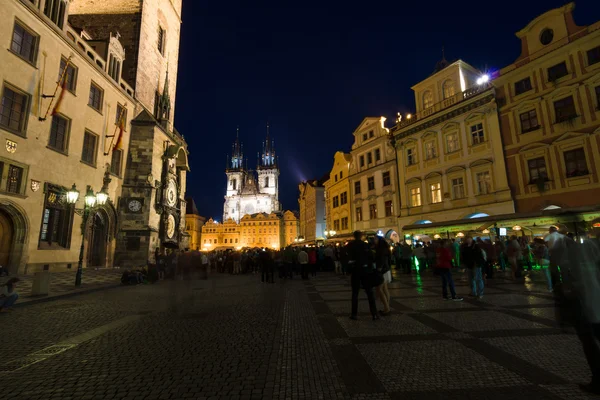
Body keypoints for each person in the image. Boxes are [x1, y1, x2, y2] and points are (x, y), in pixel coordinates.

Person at [346, 231, 379, 320]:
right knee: (369, 293)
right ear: (361, 236)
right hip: (365, 270)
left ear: (354, 236)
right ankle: (374, 314)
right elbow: (371, 257)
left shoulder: (350, 245)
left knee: (355, 293)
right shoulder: (365, 245)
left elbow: (347, 258)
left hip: (355, 270)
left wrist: (349, 268)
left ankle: (354, 314)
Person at [375, 237, 391, 315]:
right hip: (386, 270)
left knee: (379, 289)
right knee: (385, 289)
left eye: (375, 239)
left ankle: (386, 308)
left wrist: (379, 269)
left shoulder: (381, 250)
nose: (374, 241)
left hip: (382, 271)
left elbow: (382, 260)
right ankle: (386, 307)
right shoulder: (386, 249)